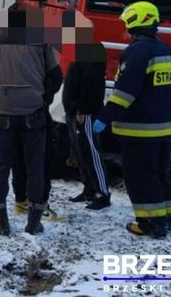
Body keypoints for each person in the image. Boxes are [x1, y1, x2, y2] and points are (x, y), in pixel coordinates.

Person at [93, 1, 171, 238]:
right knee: (160, 174)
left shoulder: (137, 51)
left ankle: (150, 224)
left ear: (135, 21)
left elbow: (125, 92)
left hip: (139, 130)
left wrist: (105, 117)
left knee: (140, 177)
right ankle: (166, 218)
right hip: (162, 127)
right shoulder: (164, 49)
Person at [0, 5, 62, 235]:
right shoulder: (40, 41)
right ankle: (34, 221)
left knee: (1, 168)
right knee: (36, 167)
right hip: (33, 114)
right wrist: (44, 98)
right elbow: (56, 76)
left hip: (1, 113)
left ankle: (1, 221)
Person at [62, 13, 110, 210]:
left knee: (91, 152)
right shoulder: (80, 50)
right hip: (75, 111)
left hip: (85, 112)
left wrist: (82, 108)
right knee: (80, 151)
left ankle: (102, 193)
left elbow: (91, 84)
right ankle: (88, 188)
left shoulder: (93, 50)